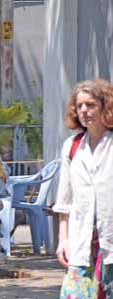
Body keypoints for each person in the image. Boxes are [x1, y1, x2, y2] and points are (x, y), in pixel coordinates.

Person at [53, 79, 113, 298]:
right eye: (79, 106)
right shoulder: (72, 146)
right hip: (82, 245)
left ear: (105, 107)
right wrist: (63, 240)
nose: (84, 111)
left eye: (90, 105)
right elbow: (64, 200)